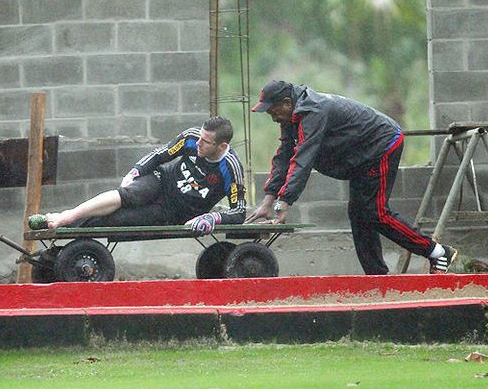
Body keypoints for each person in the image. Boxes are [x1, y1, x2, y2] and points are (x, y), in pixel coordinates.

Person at [247, 80, 458, 275]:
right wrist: (267, 201)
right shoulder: (292, 115)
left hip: (381, 145)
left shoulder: (313, 111)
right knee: (358, 214)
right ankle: (377, 277)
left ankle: (438, 252)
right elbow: (284, 156)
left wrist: (283, 203)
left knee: (375, 212)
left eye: (274, 113)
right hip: (359, 156)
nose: (274, 119)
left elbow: (303, 159)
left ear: (286, 102)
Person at [34, 116, 246, 234]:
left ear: (222, 146)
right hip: (161, 180)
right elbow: (159, 155)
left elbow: (239, 212)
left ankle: (66, 229)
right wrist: (135, 171)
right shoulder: (191, 138)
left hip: (172, 212)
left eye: (206, 142)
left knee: (118, 219)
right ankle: (65, 217)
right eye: (200, 137)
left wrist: (212, 217)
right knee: (129, 195)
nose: (198, 144)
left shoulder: (231, 168)